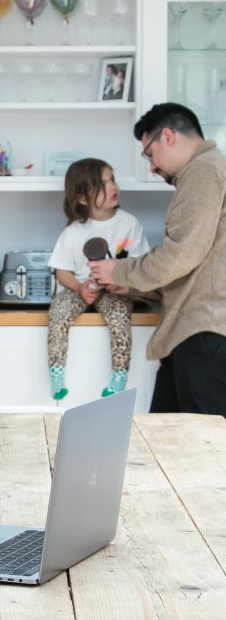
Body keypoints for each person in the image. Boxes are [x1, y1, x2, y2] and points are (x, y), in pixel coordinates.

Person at [89, 102, 226, 416]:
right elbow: (198, 267)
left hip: (205, 338)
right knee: (168, 447)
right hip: (199, 337)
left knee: (200, 454)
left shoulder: (204, 170)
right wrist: (134, 287)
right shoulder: (210, 170)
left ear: (168, 136)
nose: (151, 166)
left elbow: (181, 254)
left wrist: (119, 271)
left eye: (149, 153)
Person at [47, 157, 149, 400]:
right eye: (103, 184)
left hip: (115, 290)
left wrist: (123, 284)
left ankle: (119, 375)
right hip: (80, 288)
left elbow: (142, 264)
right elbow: (61, 271)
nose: (113, 186)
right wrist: (80, 288)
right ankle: (57, 370)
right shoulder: (73, 231)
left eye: (112, 179)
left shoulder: (129, 224)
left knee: (120, 318)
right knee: (58, 312)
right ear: (83, 198)